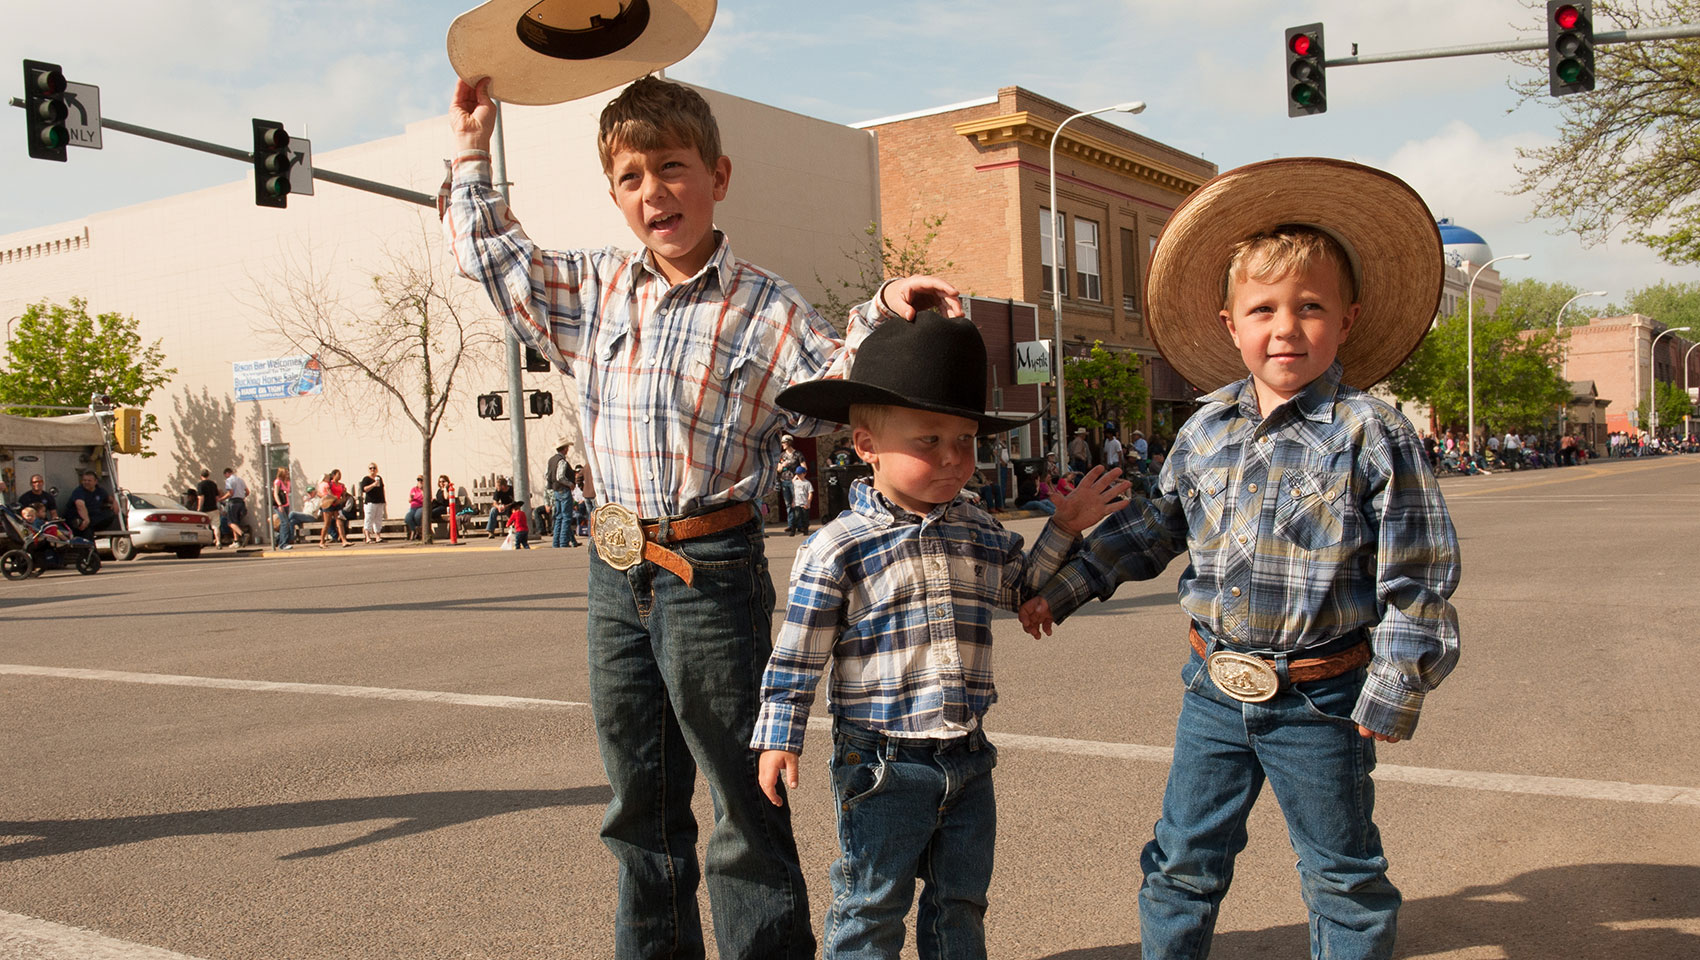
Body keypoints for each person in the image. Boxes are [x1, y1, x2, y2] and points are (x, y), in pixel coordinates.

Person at [443, 72, 959, 959]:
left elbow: (841, 376)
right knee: (638, 809)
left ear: (718, 175)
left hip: (711, 576)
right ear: (613, 192)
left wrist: (885, 308)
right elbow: (494, 258)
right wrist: (470, 150)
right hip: (615, 573)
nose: (655, 192)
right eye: (632, 177)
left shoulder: (762, 307)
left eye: (672, 168)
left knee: (739, 803)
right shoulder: (594, 288)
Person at [1019, 159, 1461, 960]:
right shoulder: (1205, 429)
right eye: (1263, 309)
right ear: (1231, 324)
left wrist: (1397, 685)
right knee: (1183, 861)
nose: (1285, 328)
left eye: (1310, 307)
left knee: (1342, 875)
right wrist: (1065, 586)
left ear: (1349, 320)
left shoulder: (1372, 432)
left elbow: (1418, 572)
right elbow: (1153, 531)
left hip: (1322, 701)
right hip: (1212, 690)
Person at [750, 311, 1133, 959]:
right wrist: (779, 735)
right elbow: (798, 651)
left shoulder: (978, 526)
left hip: (967, 755)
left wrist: (1063, 529)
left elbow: (1018, 589)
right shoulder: (838, 547)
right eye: (929, 441)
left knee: (961, 902)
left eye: (965, 440)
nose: (954, 458)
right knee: (872, 903)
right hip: (881, 760)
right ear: (866, 444)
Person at [546, 437, 577, 548]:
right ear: (564, 449)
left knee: (558, 517)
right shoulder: (562, 461)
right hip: (563, 490)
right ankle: (563, 542)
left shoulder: (551, 460)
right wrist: (570, 484)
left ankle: (556, 542)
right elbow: (560, 477)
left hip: (555, 490)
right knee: (566, 517)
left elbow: (547, 476)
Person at [66, 471, 117, 536]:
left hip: (92, 518)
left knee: (109, 514)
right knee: (84, 528)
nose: (86, 482)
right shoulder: (79, 491)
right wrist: (86, 519)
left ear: (95, 482)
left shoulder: (100, 491)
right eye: (84, 480)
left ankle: (91, 528)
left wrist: (115, 502)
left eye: (89, 480)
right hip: (79, 518)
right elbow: (80, 505)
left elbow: (109, 498)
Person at [271, 467, 311, 550]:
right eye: (286, 472)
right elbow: (276, 494)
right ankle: (283, 544)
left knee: (285, 523)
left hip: (286, 504)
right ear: (282, 473)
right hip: (280, 505)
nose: (287, 473)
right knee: (285, 523)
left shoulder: (288, 482)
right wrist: (280, 505)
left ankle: (279, 540)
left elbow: (287, 493)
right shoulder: (278, 482)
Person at [317, 469, 349, 548]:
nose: (340, 476)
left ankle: (344, 540)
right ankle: (321, 541)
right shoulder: (329, 484)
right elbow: (321, 493)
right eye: (338, 474)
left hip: (336, 504)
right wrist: (327, 498)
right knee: (327, 523)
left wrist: (343, 497)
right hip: (329, 504)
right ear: (334, 475)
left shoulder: (341, 485)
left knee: (339, 522)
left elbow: (343, 496)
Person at [219, 467, 249, 548]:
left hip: (233, 502)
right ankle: (236, 541)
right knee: (236, 522)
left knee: (230, 522)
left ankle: (243, 534)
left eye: (225, 475)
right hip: (241, 502)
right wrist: (242, 497)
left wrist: (221, 499)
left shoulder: (229, 480)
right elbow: (247, 491)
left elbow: (230, 493)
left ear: (227, 473)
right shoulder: (240, 480)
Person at [359, 463, 387, 543]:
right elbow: (364, 489)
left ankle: (378, 536)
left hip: (379, 501)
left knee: (378, 519)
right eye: (371, 468)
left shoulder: (379, 478)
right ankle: (367, 537)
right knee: (369, 518)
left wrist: (384, 500)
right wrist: (373, 484)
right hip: (370, 502)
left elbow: (382, 489)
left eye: (374, 468)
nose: (372, 470)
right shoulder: (366, 479)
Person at [787, 464, 814, 537]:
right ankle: (793, 531)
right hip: (797, 503)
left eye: (800, 474)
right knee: (796, 517)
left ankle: (805, 530)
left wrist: (808, 502)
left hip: (804, 503)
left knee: (805, 518)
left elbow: (810, 493)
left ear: (804, 474)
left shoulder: (807, 483)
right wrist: (793, 501)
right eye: (797, 474)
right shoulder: (795, 482)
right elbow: (794, 491)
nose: (798, 475)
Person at [404, 476, 427, 541]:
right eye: (419, 480)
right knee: (408, 518)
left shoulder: (426, 490)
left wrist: (423, 492)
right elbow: (409, 500)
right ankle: (415, 531)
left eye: (421, 480)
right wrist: (411, 498)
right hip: (413, 507)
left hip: (421, 506)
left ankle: (418, 532)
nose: (420, 482)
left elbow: (428, 499)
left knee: (417, 516)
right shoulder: (414, 489)